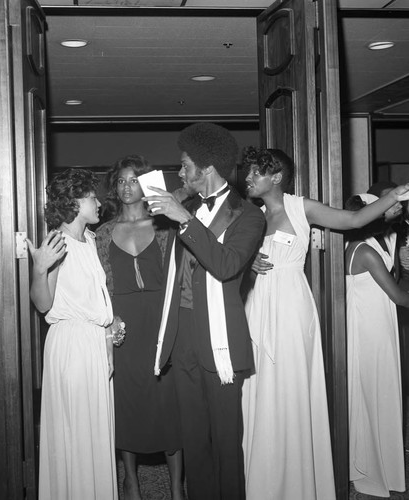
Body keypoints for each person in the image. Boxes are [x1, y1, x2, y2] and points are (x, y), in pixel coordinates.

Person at [239, 146, 409, 500]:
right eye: (248, 173)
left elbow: (353, 220)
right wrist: (248, 261)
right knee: (259, 387)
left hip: (291, 305)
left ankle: (296, 478)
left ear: (276, 177)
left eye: (255, 173)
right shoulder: (251, 215)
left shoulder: (301, 207)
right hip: (258, 304)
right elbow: (231, 255)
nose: (247, 179)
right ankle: (263, 474)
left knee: (291, 386)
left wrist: (394, 194)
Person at [142, 123, 265, 500]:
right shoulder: (190, 207)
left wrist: (184, 219)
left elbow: (227, 266)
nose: (180, 173)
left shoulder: (248, 215)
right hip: (183, 337)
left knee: (226, 443)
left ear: (207, 167)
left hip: (221, 340)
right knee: (194, 440)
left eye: (185, 166)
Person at [95, 155, 184, 500]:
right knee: (126, 401)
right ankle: (130, 480)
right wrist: (106, 322)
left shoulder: (165, 227)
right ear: (114, 188)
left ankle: (177, 486)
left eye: (134, 180)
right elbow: (100, 284)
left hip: (160, 321)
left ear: (146, 184)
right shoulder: (102, 233)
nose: (126, 187)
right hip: (122, 324)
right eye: (121, 181)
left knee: (168, 402)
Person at [26, 168, 118, 500]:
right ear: (75, 202)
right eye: (92, 197)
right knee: (76, 432)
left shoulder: (90, 240)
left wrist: (109, 330)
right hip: (71, 346)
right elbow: (42, 303)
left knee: (93, 431)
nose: (99, 202)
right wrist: (40, 268)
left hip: (92, 344)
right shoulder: (57, 241)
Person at [344, 192, 409, 497]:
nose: (390, 213)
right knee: (378, 393)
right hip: (372, 331)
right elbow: (397, 296)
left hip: (375, 324)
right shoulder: (365, 251)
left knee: (373, 393)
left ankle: (371, 460)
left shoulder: (354, 246)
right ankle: (375, 466)